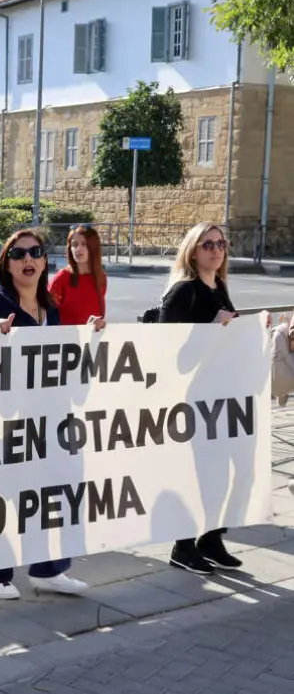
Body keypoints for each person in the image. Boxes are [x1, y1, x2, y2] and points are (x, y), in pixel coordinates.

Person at [0, 229, 91, 599]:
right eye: (18, 254)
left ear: (43, 261)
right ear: (6, 263)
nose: (28, 260)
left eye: (35, 252)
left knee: (51, 493)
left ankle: (48, 569)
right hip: (6, 421)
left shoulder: (49, 306)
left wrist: (89, 339)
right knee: (5, 497)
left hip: (49, 418)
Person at [161, 222, 242, 575]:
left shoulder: (219, 287)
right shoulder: (183, 292)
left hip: (219, 396)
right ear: (193, 251)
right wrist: (213, 327)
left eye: (220, 243)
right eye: (207, 244)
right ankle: (182, 546)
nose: (215, 249)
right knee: (192, 473)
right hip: (189, 399)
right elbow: (167, 351)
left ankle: (211, 538)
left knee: (218, 473)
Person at [49, 225, 107, 326]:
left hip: (91, 340)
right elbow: (47, 318)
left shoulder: (101, 278)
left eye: (84, 244)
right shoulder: (61, 278)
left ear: (93, 247)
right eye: (74, 245)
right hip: (65, 339)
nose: (78, 249)